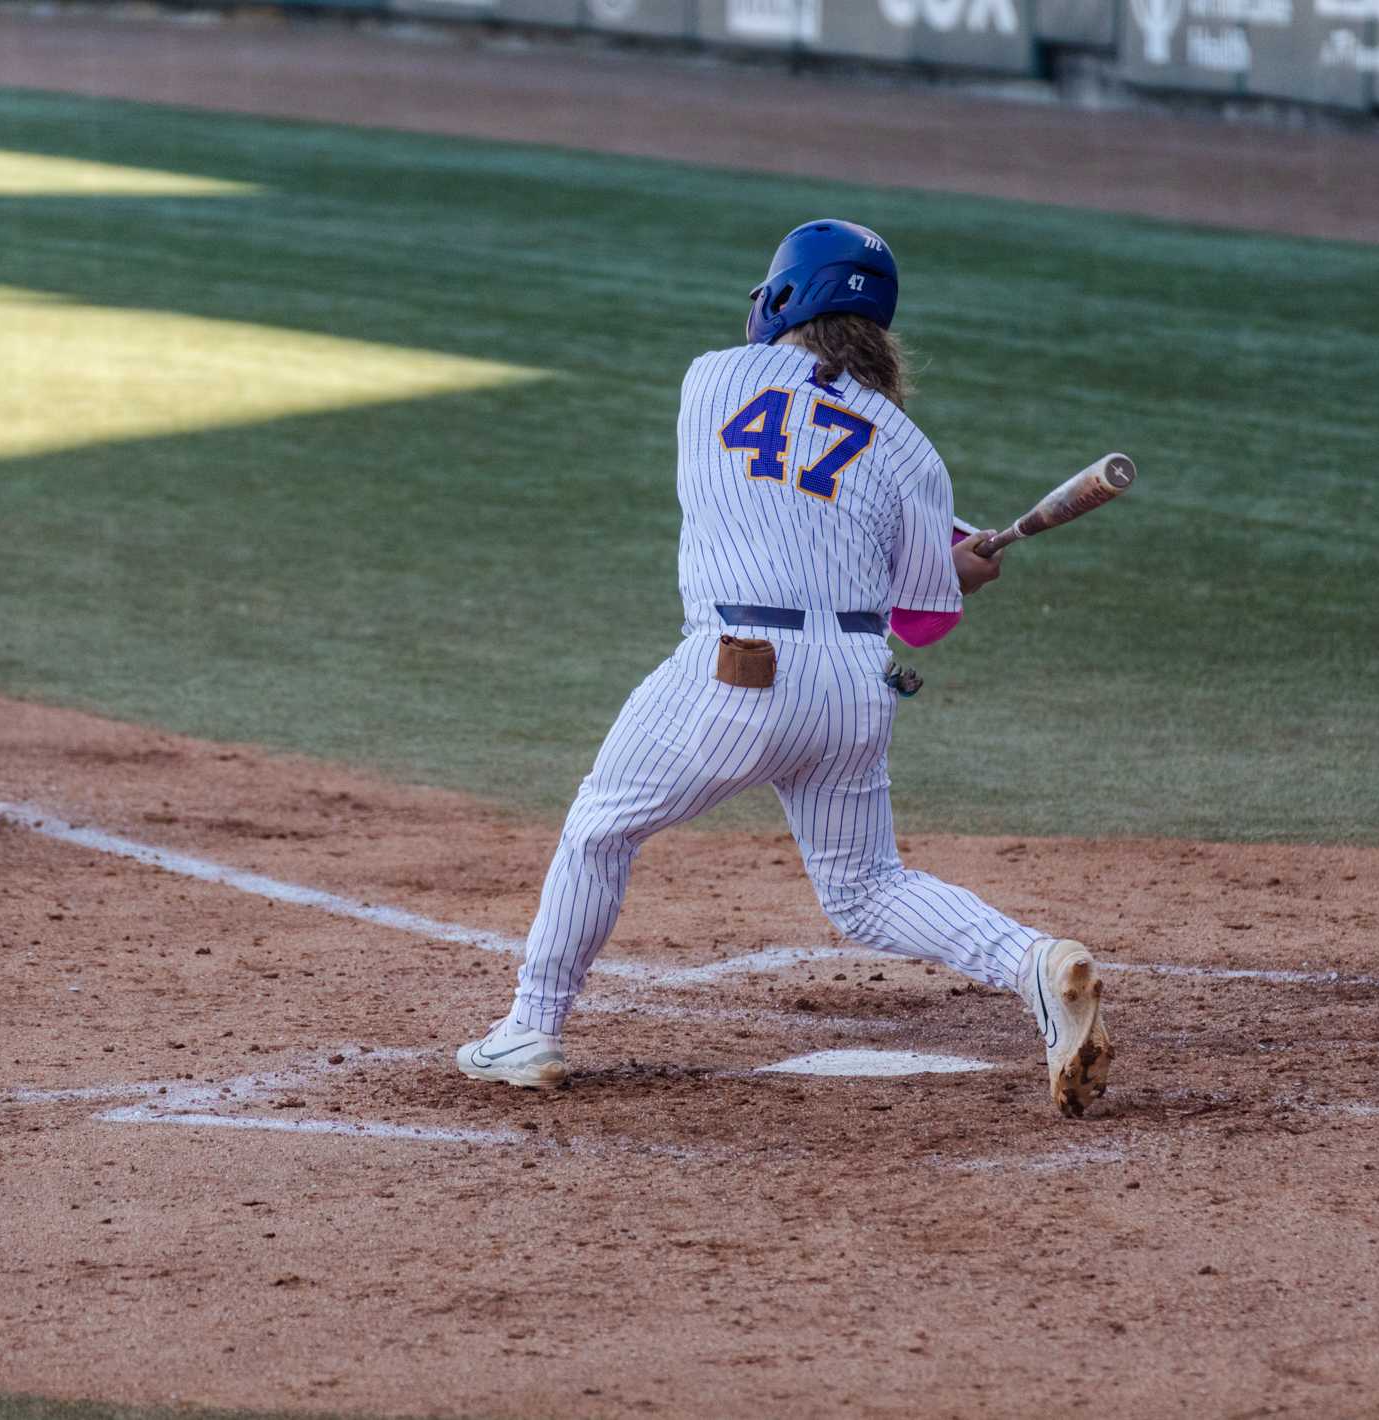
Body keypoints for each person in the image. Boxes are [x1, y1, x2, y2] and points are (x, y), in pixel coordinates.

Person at [453, 220, 1112, 1118]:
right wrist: (962, 562)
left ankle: (530, 1028)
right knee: (868, 887)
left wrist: (934, 559)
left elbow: (784, 491)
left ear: (783, 301)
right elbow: (918, 615)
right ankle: (1034, 965)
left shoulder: (711, 378)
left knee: (602, 830)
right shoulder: (909, 447)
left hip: (734, 670)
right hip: (854, 685)